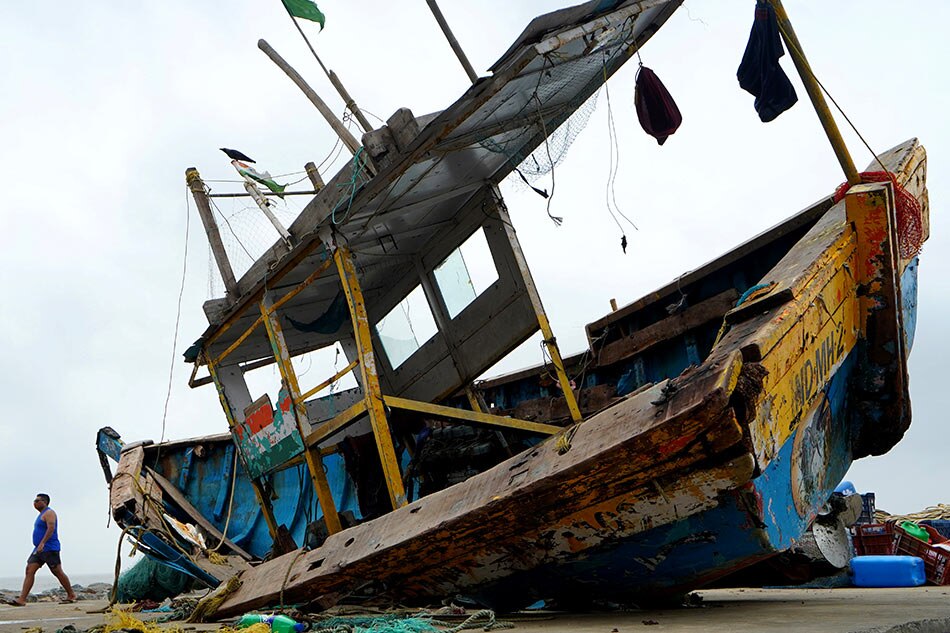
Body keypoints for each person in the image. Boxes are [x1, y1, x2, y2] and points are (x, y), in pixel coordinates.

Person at [12, 494, 77, 606]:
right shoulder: (41, 515)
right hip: (38, 549)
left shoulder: (49, 513)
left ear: (44, 502)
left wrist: (43, 542)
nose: (34, 503)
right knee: (29, 570)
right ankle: (22, 599)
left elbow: (51, 528)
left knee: (57, 571)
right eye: (34, 500)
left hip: (49, 547)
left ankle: (71, 594)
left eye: (37, 500)